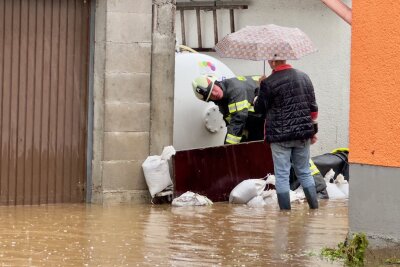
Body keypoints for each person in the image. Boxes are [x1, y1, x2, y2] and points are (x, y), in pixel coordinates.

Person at [254, 60, 319, 210]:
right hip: (302, 135)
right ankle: (314, 208)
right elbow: (313, 110)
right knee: (304, 171)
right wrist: (312, 132)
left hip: (279, 136)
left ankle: (285, 215)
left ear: (272, 60)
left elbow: (259, 109)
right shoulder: (304, 77)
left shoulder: (268, 82)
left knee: (282, 175)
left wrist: (260, 89)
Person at [192, 75, 264, 144]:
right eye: (211, 95)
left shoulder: (235, 89)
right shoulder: (222, 102)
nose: (215, 93)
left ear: (216, 83)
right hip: (256, 123)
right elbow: (233, 124)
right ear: (210, 100)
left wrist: (228, 148)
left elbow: (238, 119)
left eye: (213, 88)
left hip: (266, 120)